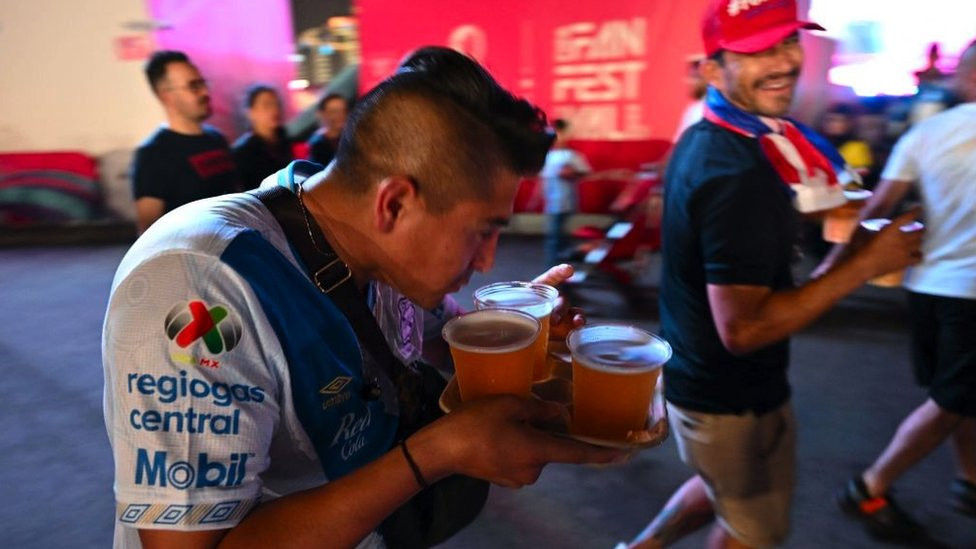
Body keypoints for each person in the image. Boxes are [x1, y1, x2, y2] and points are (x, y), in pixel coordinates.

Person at [102, 46, 620, 549]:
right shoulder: (202, 285)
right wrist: (434, 454)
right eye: (482, 231)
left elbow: (440, 340)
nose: (488, 260)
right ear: (394, 204)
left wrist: (517, 333)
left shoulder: (361, 234)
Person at [623, 1, 923, 548]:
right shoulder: (737, 170)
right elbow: (744, 330)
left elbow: (746, 242)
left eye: (788, 42)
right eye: (757, 50)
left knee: (718, 489)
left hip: (707, 375)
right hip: (723, 395)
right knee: (756, 531)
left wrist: (844, 248)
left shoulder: (721, 135)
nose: (784, 62)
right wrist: (866, 264)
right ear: (714, 71)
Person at [830, 38, 976, 542]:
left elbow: (876, 209)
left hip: (927, 286)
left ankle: (970, 479)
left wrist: (833, 266)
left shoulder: (926, 132)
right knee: (951, 400)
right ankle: (870, 486)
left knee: (957, 394)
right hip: (971, 292)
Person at [131, 50, 240, 233]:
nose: (205, 92)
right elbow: (149, 231)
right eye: (194, 86)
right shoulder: (153, 154)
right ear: (166, 96)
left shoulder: (216, 139)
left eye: (203, 83)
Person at [539, 118, 591, 267]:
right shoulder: (547, 156)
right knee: (556, 235)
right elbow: (544, 178)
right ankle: (561, 264)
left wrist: (571, 173)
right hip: (551, 201)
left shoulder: (571, 156)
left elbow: (584, 172)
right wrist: (538, 197)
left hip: (565, 200)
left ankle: (555, 266)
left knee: (555, 236)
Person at [231, 84, 293, 190]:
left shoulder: (286, 141)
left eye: (277, 104)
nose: (274, 110)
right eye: (266, 105)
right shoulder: (243, 152)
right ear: (250, 112)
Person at [307, 92, 351, 166]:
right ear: (322, 114)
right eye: (334, 112)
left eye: (344, 110)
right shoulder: (317, 144)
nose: (341, 115)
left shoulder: (352, 136)